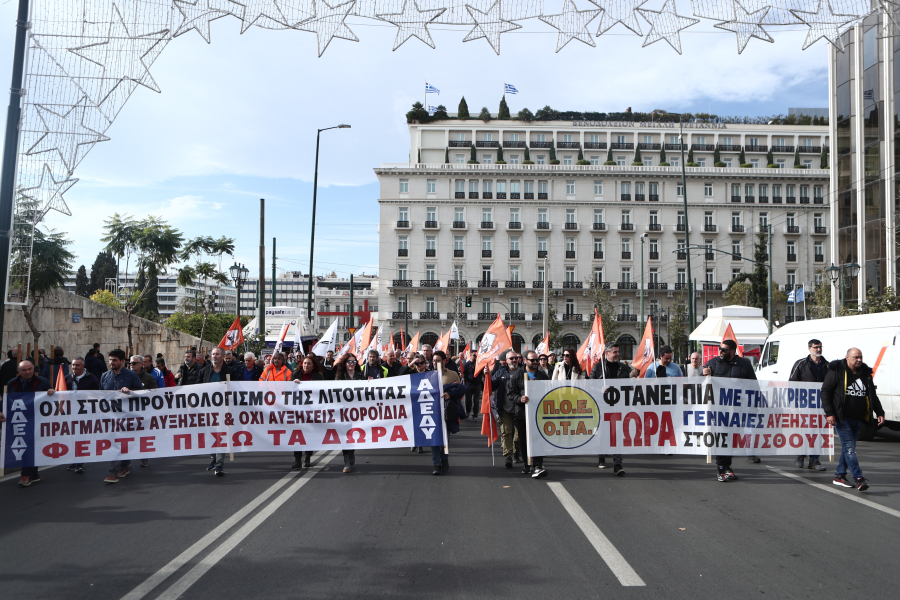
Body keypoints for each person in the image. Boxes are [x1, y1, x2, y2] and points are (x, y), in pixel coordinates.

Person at [822, 347, 885, 491]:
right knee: (850, 448)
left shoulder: (866, 374)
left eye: (861, 357)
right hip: (842, 418)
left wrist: (880, 412)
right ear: (847, 358)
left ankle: (839, 476)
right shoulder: (837, 371)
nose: (859, 360)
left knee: (848, 448)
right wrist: (830, 413)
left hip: (858, 418)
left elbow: (872, 396)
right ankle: (859, 478)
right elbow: (825, 392)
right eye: (856, 357)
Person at [703, 339, 759, 481]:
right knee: (722, 438)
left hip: (736, 409)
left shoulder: (744, 364)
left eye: (724, 349)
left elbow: (753, 385)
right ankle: (721, 468)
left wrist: (756, 404)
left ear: (733, 351)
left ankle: (727, 467)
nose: (720, 351)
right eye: (720, 348)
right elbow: (701, 386)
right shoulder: (712, 363)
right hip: (718, 410)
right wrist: (703, 375)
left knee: (730, 439)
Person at [8, 361, 56, 487]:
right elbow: (7, 401)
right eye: (24, 370)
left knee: (30, 446)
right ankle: (30, 474)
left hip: (37, 420)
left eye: (30, 369)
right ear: (19, 371)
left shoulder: (42, 382)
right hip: (20, 420)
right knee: (26, 445)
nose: (27, 372)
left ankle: (28, 474)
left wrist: (51, 391)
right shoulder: (12, 383)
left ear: (33, 369)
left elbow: (51, 397)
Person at [101, 349, 144, 484]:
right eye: (110, 360)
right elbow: (100, 395)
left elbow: (142, 393)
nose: (111, 362)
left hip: (127, 416)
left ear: (122, 361)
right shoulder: (105, 376)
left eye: (114, 360)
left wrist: (130, 392)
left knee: (119, 441)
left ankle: (113, 472)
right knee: (118, 442)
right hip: (110, 416)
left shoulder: (131, 376)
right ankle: (124, 466)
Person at [591, 344, 630, 474]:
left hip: (617, 406)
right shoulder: (598, 367)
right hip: (602, 406)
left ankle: (618, 464)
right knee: (602, 433)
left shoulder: (623, 368)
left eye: (618, 351)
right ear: (607, 353)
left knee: (617, 434)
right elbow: (590, 386)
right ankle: (601, 457)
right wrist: (599, 389)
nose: (617, 354)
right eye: (615, 352)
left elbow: (628, 385)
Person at [510, 351, 550, 478]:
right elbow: (510, 394)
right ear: (525, 360)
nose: (535, 362)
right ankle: (527, 464)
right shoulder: (517, 376)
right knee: (524, 440)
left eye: (537, 360)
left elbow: (549, 391)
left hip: (539, 413)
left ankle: (538, 465)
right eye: (532, 360)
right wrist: (520, 398)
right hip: (522, 414)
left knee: (538, 439)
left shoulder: (542, 375)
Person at [790, 339, 828, 471]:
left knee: (818, 432)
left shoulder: (827, 366)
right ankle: (800, 455)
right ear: (809, 348)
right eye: (816, 347)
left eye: (820, 347)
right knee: (806, 431)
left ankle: (814, 460)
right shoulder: (801, 364)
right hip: (804, 404)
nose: (818, 349)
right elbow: (792, 385)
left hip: (821, 405)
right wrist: (794, 405)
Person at [198, 347, 236, 475]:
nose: (214, 356)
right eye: (213, 354)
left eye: (217, 354)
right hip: (208, 409)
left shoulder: (230, 371)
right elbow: (196, 388)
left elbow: (236, 389)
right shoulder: (204, 371)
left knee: (221, 435)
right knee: (210, 435)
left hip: (223, 409)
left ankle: (219, 464)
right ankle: (213, 459)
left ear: (223, 356)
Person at [430, 351, 466, 475]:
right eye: (434, 360)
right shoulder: (428, 375)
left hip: (447, 411)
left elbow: (460, 391)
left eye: (438, 360)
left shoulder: (452, 374)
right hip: (432, 413)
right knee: (434, 440)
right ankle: (436, 464)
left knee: (445, 439)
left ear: (444, 361)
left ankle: (444, 460)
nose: (435, 362)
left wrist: (449, 394)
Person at [65, 358, 100, 474]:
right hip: (71, 413)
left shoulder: (92, 378)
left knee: (80, 438)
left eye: (77, 365)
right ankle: (75, 461)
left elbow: (97, 395)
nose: (74, 367)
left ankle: (79, 463)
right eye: (73, 365)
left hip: (85, 413)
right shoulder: (67, 378)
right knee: (72, 437)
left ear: (83, 366)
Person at [291, 356, 323, 468]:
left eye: (309, 363)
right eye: (304, 363)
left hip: (311, 411)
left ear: (313, 365)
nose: (306, 365)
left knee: (309, 434)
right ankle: (297, 460)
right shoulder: (295, 375)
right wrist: (293, 384)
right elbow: (288, 392)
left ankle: (308, 457)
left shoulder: (318, 377)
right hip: (298, 411)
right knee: (297, 434)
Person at [334, 353, 364, 472]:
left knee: (353, 434)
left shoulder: (360, 376)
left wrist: (369, 383)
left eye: (354, 362)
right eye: (349, 362)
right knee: (344, 435)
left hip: (357, 411)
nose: (352, 364)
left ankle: (351, 452)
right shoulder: (339, 376)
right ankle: (346, 460)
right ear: (345, 363)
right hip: (343, 411)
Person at [491, 350, 520, 468]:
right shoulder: (500, 373)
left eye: (516, 358)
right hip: (505, 408)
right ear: (506, 361)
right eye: (511, 358)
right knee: (506, 432)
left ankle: (516, 452)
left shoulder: (523, 372)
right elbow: (491, 386)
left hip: (520, 409)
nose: (514, 360)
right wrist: (487, 376)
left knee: (519, 435)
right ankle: (508, 456)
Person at [462, 350, 482, 420]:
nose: (475, 356)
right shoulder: (467, 364)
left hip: (477, 385)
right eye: (474, 355)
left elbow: (482, 373)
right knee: (468, 400)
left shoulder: (479, 364)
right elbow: (463, 373)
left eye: (476, 355)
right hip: (469, 384)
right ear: (470, 355)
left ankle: (475, 414)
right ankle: (468, 412)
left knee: (476, 401)